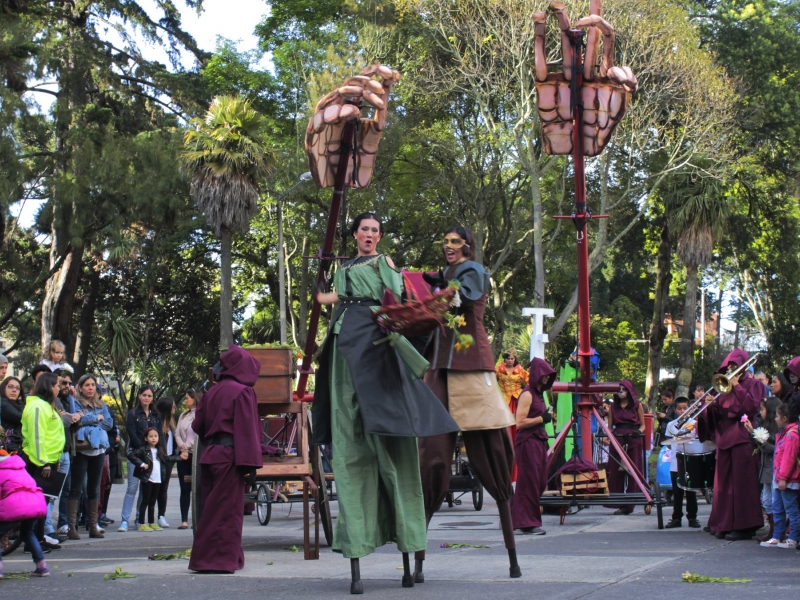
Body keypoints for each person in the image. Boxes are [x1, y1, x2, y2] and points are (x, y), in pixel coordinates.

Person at [312, 213, 459, 592]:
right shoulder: (343, 267)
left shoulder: (384, 262)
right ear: (355, 233)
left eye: (375, 230)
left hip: (374, 342)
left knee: (393, 450)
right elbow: (330, 299)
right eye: (364, 229)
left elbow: (395, 299)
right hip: (343, 342)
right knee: (348, 449)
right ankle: (357, 547)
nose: (370, 235)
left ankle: (409, 548)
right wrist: (318, 288)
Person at [417, 225, 519, 582]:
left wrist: (428, 297)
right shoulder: (442, 275)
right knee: (430, 457)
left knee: (492, 452)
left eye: (455, 241)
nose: (449, 247)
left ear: (468, 245)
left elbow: (457, 298)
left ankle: (512, 557)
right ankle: (416, 559)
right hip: (439, 371)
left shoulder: (472, 271)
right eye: (444, 241)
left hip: (472, 368)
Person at [189, 345, 264, 573]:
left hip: (210, 456)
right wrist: (250, 464)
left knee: (212, 510)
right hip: (230, 458)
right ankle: (218, 561)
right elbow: (247, 431)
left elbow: (197, 425)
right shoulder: (243, 392)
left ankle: (213, 558)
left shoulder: (211, 392)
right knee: (227, 512)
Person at [698, 349, 764, 540]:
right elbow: (716, 415)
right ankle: (723, 523)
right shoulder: (721, 386)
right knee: (723, 485)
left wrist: (737, 386)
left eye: (735, 366)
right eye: (729, 367)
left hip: (742, 438)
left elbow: (751, 407)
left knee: (742, 484)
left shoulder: (753, 384)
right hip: (724, 437)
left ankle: (745, 526)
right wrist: (709, 408)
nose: (732, 370)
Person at [511, 358, 556, 536]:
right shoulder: (527, 394)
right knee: (528, 482)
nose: (547, 378)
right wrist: (540, 419)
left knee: (539, 481)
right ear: (537, 375)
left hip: (539, 440)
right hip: (527, 441)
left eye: (549, 376)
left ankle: (515, 516)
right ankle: (527, 523)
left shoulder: (538, 395)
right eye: (544, 375)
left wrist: (545, 417)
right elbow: (519, 422)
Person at [66, 374, 113, 540]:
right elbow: (77, 421)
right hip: (81, 450)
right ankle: (72, 527)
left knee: (94, 488)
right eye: (87, 385)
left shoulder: (102, 404)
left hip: (99, 449)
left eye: (93, 385)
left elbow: (109, 423)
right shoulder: (75, 402)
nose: (90, 388)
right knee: (76, 488)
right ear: (80, 387)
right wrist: (95, 418)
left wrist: (90, 420)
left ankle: (93, 525)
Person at [0, 448, 50, 577]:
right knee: (27, 533)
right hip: (36, 504)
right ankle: (42, 567)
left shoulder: (1, 472)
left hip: (16, 505)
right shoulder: (21, 469)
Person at [119, 385, 161, 532]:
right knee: (132, 487)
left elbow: (159, 434)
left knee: (146, 490)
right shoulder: (133, 413)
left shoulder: (156, 415)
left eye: (149, 396)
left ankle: (140, 519)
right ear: (139, 396)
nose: (147, 398)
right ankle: (124, 520)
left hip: (151, 457)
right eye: (144, 395)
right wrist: (143, 449)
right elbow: (132, 433)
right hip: (136, 455)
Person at [759, 402, 800, 549]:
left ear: (784, 418)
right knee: (778, 508)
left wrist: (783, 477)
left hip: (787, 480)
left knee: (791, 509)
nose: (775, 419)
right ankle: (778, 535)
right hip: (779, 478)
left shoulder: (791, 435)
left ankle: (794, 538)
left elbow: (789, 459)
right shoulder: (784, 434)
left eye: (777, 416)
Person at [663, 397, 707, 529]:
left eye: (685, 408)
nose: (682, 411)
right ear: (675, 410)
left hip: (691, 461)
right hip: (676, 463)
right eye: (679, 408)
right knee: (677, 491)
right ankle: (676, 517)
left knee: (691, 491)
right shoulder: (671, 425)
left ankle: (692, 517)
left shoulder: (694, 423)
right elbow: (669, 442)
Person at [605, 380, 645, 514]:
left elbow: (643, 425)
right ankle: (618, 502)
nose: (621, 391)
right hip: (617, 440)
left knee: (633, 471)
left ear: (629, 391)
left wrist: (638, 432)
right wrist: (606, 436)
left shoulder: (637, 405)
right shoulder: (612, 407)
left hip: (633, 439)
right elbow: (610, 428)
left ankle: (630, 505)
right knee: (615, 472)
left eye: (624, 389)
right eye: (619, 389)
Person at [745, 397, 782, 542]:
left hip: (774, 469)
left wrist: (764, 443)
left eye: (763, 409)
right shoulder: (765, 426)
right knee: (767, 501)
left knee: (774, 501)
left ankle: (777, 532)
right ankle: (773, 531)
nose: (761, 412)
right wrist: (752, 432)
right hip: (765, 469)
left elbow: (778, 449)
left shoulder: (778, 430)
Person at [496, 349, 528, 482]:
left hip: (517, 400)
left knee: (518, 428)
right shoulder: (498, 370)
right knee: (506, 431)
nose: (510, 361)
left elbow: (530, 381)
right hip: (504, 402)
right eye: (508, 358)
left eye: (512, 359)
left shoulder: (520, 370)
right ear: (504, 359)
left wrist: (527, 395)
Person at [156, 396, 184, 528]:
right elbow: (162, 452)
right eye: (173, 406)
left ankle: (161, 515)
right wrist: (178, 458)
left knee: (164, 489)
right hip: (160, 460)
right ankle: (144, 517)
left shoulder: (171, 424)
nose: (175, 408)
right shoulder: (157, 425)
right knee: (153, 489)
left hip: (169, 461)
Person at [175, 390, 200, 529]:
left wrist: (188, 446)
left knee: (198, 487)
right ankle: (184, 519)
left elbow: (199, 434)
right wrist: (182, 447)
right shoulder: (183, 416)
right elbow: (177, 433)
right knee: (184, 488)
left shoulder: (201, 414)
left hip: (196, 453)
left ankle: (199, 518)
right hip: (184, 454)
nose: (185, 401)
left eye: (187, 398)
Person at [1, 376, 25, 452]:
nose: (14, 390)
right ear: (3, 388)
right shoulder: (3, 403)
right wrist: (20, 402)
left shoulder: (14, 404)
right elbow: (22, 418)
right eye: (10, 387)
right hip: (8, 448)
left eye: (17, 388)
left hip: (15, 446)